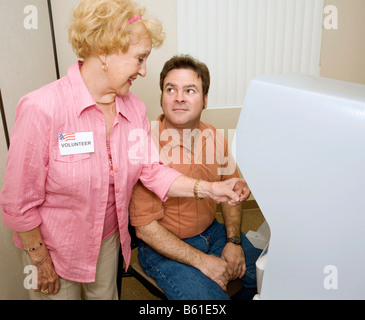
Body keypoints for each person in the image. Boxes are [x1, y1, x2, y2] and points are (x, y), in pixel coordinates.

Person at [0, 1, 249, 300]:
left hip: (107, 240)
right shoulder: (42, 108)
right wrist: (40, 258)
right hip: (52, 245)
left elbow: (153, 172)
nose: (144, 71)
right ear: (105, 52)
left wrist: (211, 189)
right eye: (140, 59)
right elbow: (18, 202)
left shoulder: (133, 108)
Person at [129, 55, 262, 300]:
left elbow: (231, 196)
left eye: (190, 90)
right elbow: (146, 230)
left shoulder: (213, 135)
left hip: (214, 233)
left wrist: (233, 241)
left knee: (272, 276)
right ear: (162, 97)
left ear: (205, 100)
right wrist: (202, 261)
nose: (179, 97)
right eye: (171, 89)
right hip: (165, 249)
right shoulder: (145, 146)